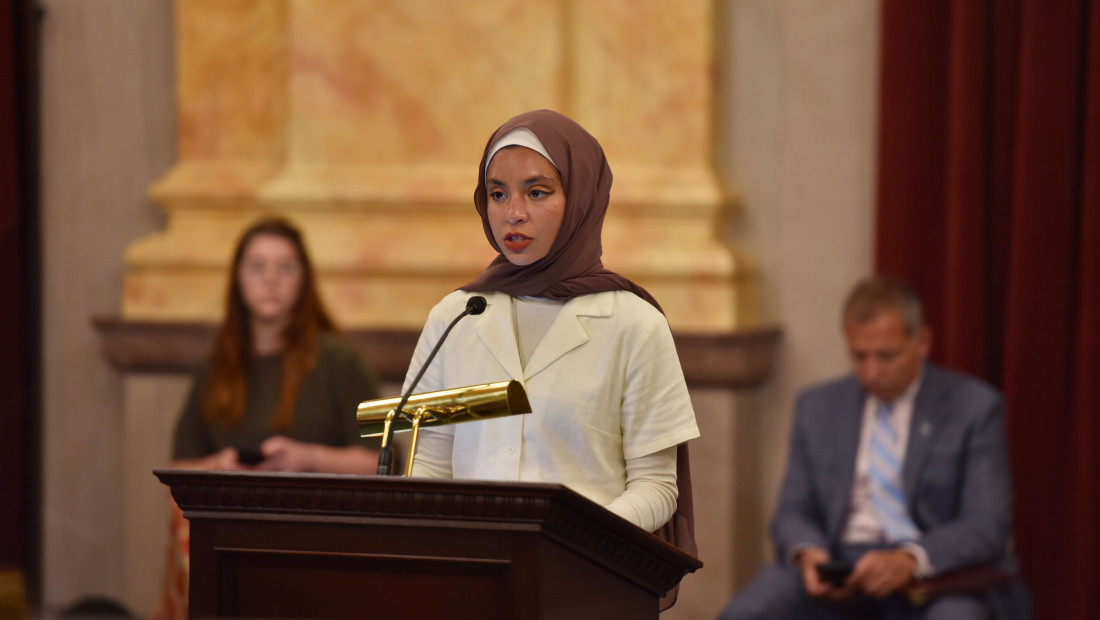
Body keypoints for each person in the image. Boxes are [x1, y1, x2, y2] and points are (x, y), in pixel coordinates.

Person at [404, 109, 700, 559]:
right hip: (471, 570)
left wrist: (571, 542)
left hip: (584, 574)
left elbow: (656, 487)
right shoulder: (456, 316)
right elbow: (429, 464)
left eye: (536, 192)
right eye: (497, 194)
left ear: (581, 197)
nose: (513, 214)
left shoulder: (635, 324)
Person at [718, 276, 1029, 620]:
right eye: (859, 356)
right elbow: (793, 510)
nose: (872, 372)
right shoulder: (818, 407)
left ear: (922, 341)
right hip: (842, 566)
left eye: (886, 356)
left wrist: (910, 559)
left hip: (934, 576)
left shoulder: (973, 408)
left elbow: (988, 523)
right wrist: (811, 554)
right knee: (748, 611)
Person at [154, 216, 381, 619]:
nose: (271, 280)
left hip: (315, 528)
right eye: (257, 267)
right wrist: (215, 468)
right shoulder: (216, 366)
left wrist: (309, 459)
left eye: (286, 267)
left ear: (304, 280)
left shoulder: (339, 362)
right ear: (238, 280)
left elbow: (382, 465)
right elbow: (178, 467)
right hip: (229, 527)